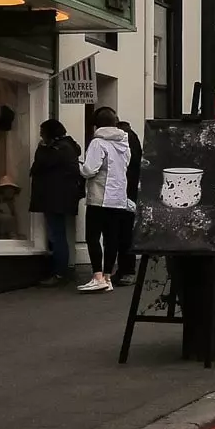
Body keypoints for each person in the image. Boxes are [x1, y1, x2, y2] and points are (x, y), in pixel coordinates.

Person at [78, 107, 135, 292]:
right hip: (118, 197)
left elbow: (89, 170)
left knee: (93, 237)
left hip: (100, 197)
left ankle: (97, 276)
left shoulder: (98, 142)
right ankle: (108, 277)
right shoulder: (124, 143)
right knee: (112, 238)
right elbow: (125, 165)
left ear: (96, 124)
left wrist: (79, 166)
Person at [29, 118, 84, 284]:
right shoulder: (68, 147)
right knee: (60, 234)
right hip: (63, 198)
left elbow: (39, 164)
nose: (40, 135)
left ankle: (59, 273)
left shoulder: (55, 149)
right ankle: (63, 270)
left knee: (57, 235)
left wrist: (41, 148)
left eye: (42, 131)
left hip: (54, 198)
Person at [111, 116, 143, 285]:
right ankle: (124, 269)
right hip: (129, 192)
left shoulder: (126, 139)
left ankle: (127, 270)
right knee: (124, 233)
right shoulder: (132, 138)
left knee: (123, 233)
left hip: (125, 192)